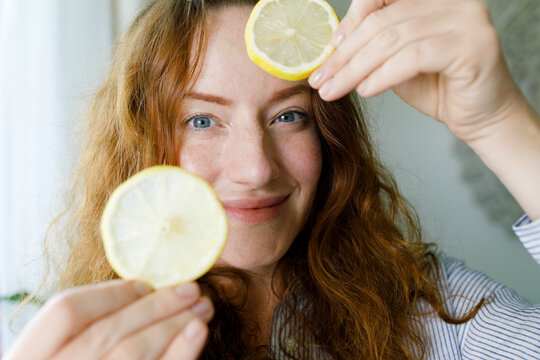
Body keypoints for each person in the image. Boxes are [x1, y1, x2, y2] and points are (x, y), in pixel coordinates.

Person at [4, 0, 540, 358]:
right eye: (201, 120)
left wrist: (500, 124)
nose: (256, 169)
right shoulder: (89, 343)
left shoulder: (430, 306)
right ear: (140, 144)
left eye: (288, 116)